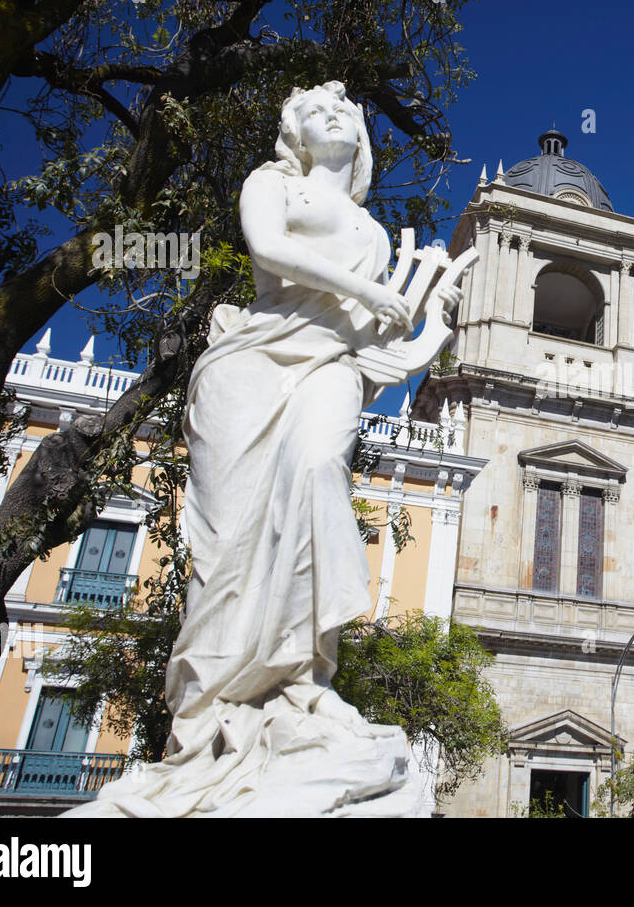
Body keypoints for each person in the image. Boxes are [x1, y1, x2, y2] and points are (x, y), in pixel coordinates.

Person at [69, 81, 459, 816]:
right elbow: (270, 250)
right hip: (249, 366)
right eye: (314, 112)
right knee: (228, 549)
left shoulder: (375, 236)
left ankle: (304, 681)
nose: (332, 116)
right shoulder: (271, 184)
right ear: (295, 137)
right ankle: (212, 720)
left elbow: (368, 334)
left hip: (330, 368)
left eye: (343, 110)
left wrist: (423, 330)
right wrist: (372, 295)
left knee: (317, 471)